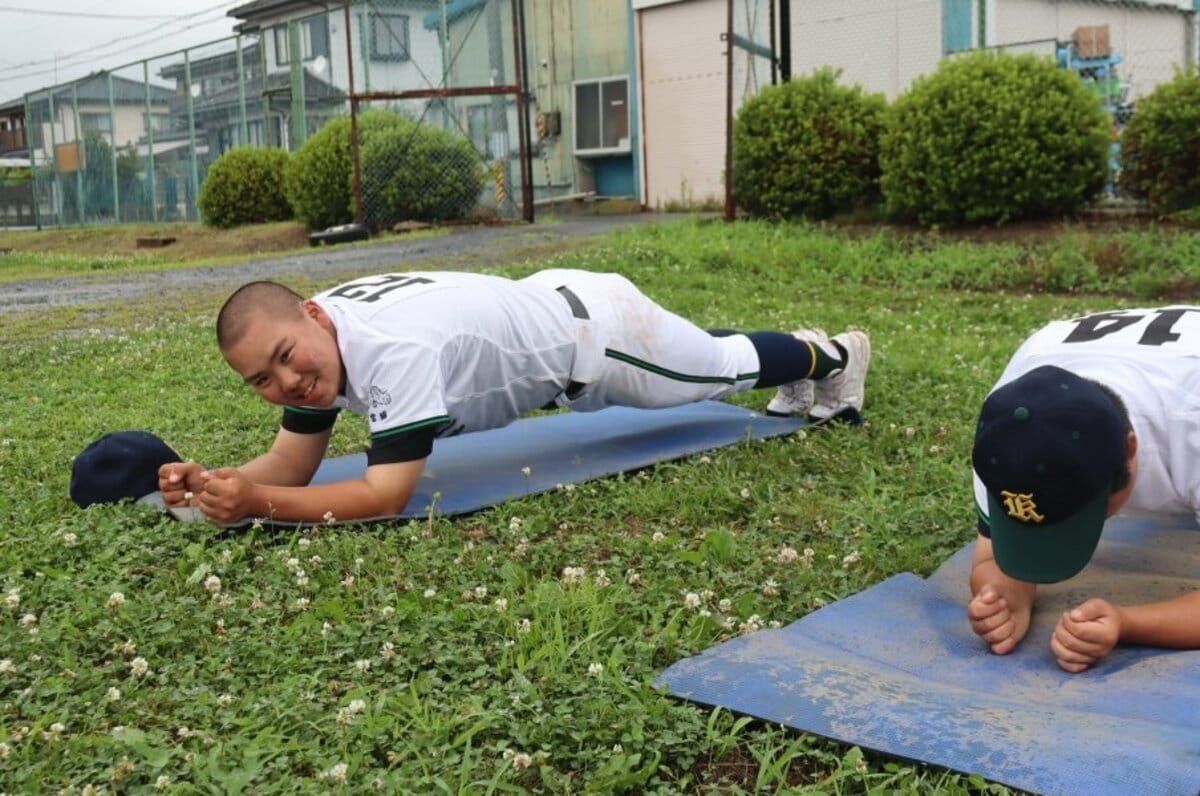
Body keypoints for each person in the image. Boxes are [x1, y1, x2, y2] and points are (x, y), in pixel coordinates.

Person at [159, 268, 870, 525]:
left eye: (283, 360)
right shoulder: (315, 344)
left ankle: (834, 354)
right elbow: (292, 465)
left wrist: (259, 507)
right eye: (261, 380)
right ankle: (800, 355)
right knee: (695, 358)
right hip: (558, 311)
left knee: (718, 367)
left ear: (312, 314)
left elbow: (384, 496)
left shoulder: (388, 348)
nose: (285, 384)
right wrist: (219, 483)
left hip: (594, 338)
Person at [967, 306, 1200, 672]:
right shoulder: (1008, 427)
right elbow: (989, 558)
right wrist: (1004, 597)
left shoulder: (1192, 424)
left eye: (1085, 512)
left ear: (1132, 448)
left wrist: (1127, 623)